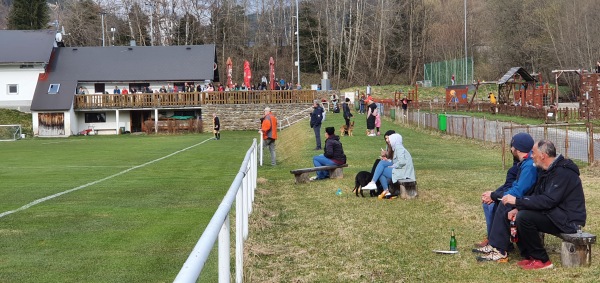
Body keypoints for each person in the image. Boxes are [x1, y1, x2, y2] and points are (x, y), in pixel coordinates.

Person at [502, 140, 586, 270]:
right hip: (556, 214)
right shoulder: (547, 170)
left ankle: (542, 260)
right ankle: (530, 256)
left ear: (543, 155)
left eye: (533, 153)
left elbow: (548, 201)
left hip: (569, 221)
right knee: (520, 215)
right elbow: (538, 196)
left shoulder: (563, 173)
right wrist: (518, 208)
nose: (531, 156)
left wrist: (517, 201)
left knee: (525, 217)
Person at [474, 132, 538, 262]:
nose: (511, 149)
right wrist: (497, 195)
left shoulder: (529, 165)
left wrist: (500, 196)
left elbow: (519, 190)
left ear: (517, 149)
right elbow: (514, 185)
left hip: (530, 201)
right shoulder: (525, 162)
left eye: (512, 146)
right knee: (499, 202)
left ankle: (500, 250)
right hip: (525, 198)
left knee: (505, 205)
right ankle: (494, 243)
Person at [474, 156, 519, 248]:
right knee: (487, 203)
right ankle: (491, 237)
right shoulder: (517, 162)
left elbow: (516, 188)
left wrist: (494, 195)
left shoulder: (527, 164)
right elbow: (508, 184)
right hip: (509, 192)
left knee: (494, 204)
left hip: (516, 198)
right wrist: (493, 194)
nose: (511, 148)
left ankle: (498, 242)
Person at [363, 133, 415, 199]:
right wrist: (388, 161)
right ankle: (383, 189)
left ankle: (376, 184)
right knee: (382, 163)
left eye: (390, 140)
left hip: (404, 172)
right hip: (402, 170)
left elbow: (402, 162)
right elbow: (396, 161)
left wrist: (394, 166)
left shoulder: (399, 148)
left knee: (381, 170)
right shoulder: (397, 147)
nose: (388, 141)